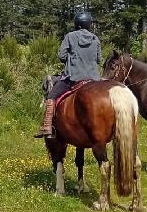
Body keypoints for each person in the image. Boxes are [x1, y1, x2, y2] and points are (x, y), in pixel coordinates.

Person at [35, 11, 102, 139]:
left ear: (77, 24)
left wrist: (71, 59)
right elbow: (99, 59)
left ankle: (47, 126)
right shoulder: (95, 39)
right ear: (89, 24)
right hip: (94, 79)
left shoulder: (70, 36)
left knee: (52, 95)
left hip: (73, 78)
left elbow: (61, 56)